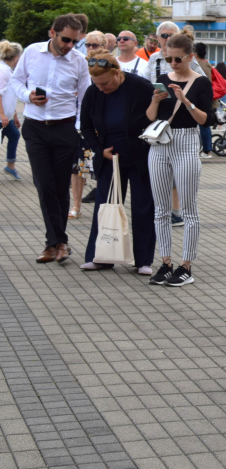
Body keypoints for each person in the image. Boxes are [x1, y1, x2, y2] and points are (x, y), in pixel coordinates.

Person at [11, 14, 90, 264]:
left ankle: (57, 243)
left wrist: (78, 128)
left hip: (64, 129)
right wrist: (27, 95)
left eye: (74, 41)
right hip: (35, 128)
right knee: (44, 185)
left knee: (59, 186)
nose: (69, 45)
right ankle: (55, 242)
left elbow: (85, 99)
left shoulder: (79, 60)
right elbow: (15, 81)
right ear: (52, 33)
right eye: (66, 39)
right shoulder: (32, 52)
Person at [145, 32, 214, 287]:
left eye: (177, 59)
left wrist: (185, 101)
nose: (173, 64)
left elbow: (206, 120)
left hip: (186, 142)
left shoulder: (201, 82)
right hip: (160, 142)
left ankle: (186, 265)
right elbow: (151, 117)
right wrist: (154, 100)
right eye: (168, 58)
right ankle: (165, 262)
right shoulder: (163, 79)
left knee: (188, 209)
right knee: (161, 209)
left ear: (190, 57)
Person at [79, 50, 156, 274]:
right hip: (109, 157)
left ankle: (143, 261)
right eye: (97, 84)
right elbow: (85, 126)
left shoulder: (140, 86)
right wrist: (98, 149)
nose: (101, 88)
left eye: (104, 83)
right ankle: (101, 256)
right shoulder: (94, 92)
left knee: (143, 206)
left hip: (139, 155)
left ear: (117, 73)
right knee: (105, 206)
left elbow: (155, 117)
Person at [69, 31, 108, 220]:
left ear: (104, 46)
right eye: (88, 45)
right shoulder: (78, 64)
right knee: (78, 167)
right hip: (77, 122)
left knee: (99, 165)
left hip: (99, 125)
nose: (91, 48)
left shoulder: (108, 65)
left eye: (95, 45)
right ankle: (76, 205)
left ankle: (103, 204)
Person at [0, 40, 23, 181]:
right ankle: (10, 165)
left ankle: (10, 166)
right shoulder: (2, 71)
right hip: (2, 117)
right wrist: (2, 115)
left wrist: (14, 115)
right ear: (15, 57)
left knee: (14, 135)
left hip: (7, 117)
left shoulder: (8, 70)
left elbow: (10, 95)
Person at [193, 42, 214, 159]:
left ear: (195, 54)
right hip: (202, 98)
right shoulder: (205, 64)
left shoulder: (202, 65)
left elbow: (206, 83)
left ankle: (207, 150)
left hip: (202, 99)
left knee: (204, 125)